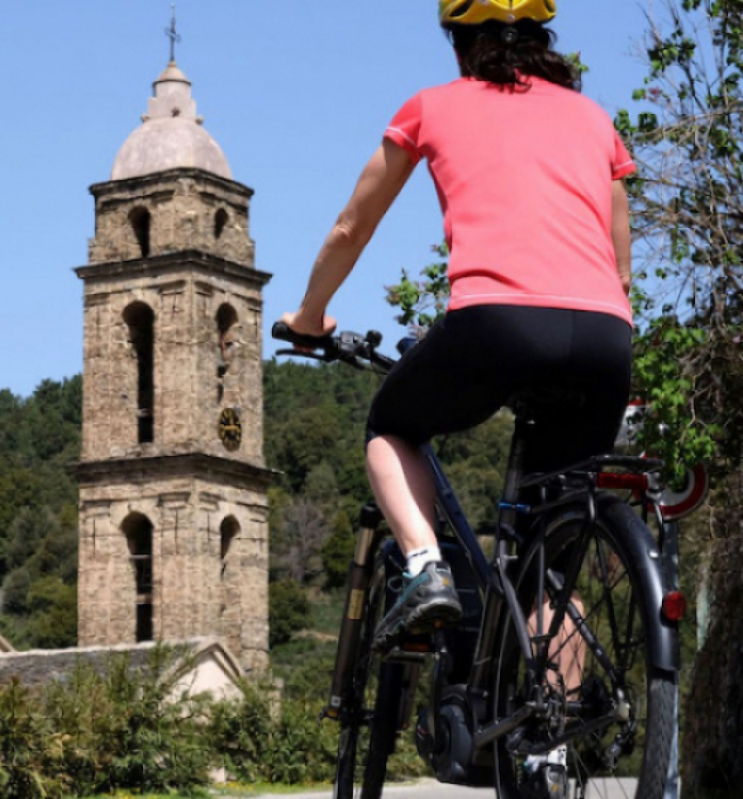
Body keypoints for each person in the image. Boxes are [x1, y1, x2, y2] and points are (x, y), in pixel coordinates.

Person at [279, 2, 634, 795]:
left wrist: (309, 317)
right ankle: (544, 742)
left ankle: (427, 568)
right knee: (550, 563)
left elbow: (350, 225)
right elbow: (619, 256)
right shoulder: (594, 119)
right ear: (544, 37)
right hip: (608, 337)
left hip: (498, 324)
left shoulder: (433, 105)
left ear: (458, 39)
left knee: (391, 423)